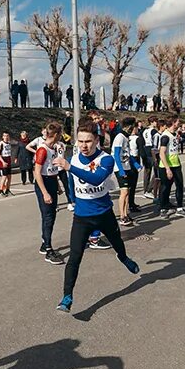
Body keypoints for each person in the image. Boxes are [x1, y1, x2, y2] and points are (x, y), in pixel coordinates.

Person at [53, 120, 139, 313]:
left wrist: (69, 167)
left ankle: (124, 258)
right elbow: (73, 182)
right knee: (75, 257)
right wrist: (72, 201)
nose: (84, 145)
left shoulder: (106, 159)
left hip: (104, 214)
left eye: (88, 141)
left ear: (97, 140)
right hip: (82, 217)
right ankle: (67, 297)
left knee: (117, 242)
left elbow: (96, 178)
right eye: (80, 141)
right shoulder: (74, 158)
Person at [32, 123, 64, 265]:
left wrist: (57, 185)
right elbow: (37, 172)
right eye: (60, 134)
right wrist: (45, 192)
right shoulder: (42, 150)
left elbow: (52, 168)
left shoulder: (53, 149)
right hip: (43, 183)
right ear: (56, 134)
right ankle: (48, 248)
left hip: (51, 181)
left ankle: (45, 242)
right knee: (48, 216)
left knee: (52, 215)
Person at [157, 115, 185, 219]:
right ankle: (163, 208)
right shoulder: (165, 136)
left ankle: (180, 208)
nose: (179, 123)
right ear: (173, 123)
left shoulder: (174, 134)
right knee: (165, 187)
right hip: (166, 166)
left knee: (180, 186)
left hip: (176, 164)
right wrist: (167, 168)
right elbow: (161, 153)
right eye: (177, 122)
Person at [0, 131, 15, 196]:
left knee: (9, 177)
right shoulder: (1, 143)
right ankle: (1, 191)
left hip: (8, 160)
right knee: (4, 176)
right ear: (2, 137)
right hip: (3, 161)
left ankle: (7, 190)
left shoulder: (9, 143)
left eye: (7, 136)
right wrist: (3, 162)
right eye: (5, 136)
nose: (6, 137)